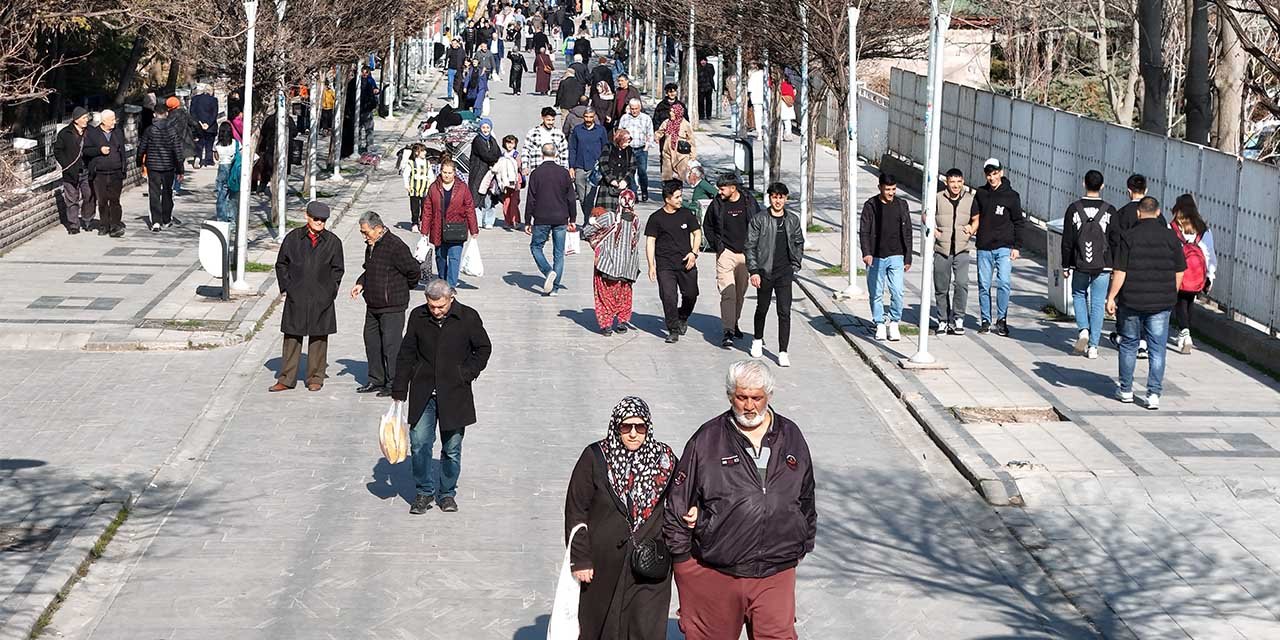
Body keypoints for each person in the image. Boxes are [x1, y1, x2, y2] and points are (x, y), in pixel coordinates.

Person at [664, 360, 817, 640]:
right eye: (742, 397)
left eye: (756, 398)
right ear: (730, 396)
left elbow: (806, 496)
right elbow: (678, 503)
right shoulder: (707, 439)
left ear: (769, 396)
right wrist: (683, 563)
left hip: (776, 571)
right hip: (718, 572)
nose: (749, 406)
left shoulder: (791, 435)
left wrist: (803, 541)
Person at [564, 396, 677, 638]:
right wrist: (580, 559)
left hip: (650, 563)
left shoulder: (665, 460)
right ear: (616, 427)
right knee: (601, 626)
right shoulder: (595, 457)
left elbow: (681, 498)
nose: (634, 434)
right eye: (626, 427)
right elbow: (576, 508)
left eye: (640, 427)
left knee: (645, 627)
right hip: (603, 564)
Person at [392, 278, 493, 514]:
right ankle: (424, 491)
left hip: (455, 392)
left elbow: (484, 348)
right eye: (432, 306)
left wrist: (466, 372)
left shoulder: (468, 317)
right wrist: (399, 389)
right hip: (423, 391)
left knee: (452, 448)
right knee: (419, 444)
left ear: (451, 298)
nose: (436, 311)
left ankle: (447, 493)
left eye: (441, 306)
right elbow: (406, 353)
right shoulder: (418, 317)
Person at [1105, 197, 1185, 411]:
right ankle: (1153, 395)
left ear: (1139, 213)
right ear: (1158, 213)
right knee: (1157, 349)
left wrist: (1112, 296)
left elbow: (1120, 271)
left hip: (1132, 300)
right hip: (1161, 302)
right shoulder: (1171, 237)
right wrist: (1172, 292)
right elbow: (1180, 270)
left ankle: (1126, 390)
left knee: (1129, 344)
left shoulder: (1128, 237)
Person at [270, 201, 345, 393]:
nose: (320, 222)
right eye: (316, 219)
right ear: (307, 217)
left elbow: (338, 270)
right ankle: (286, 378)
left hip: (322, 297)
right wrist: (287, 287)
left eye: (323, 220)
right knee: (292, 337)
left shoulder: (333, 242)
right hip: (297, 295)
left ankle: (315, 377)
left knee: (319, 338)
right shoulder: (293, 238)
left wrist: (330, 290)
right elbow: (281, 264)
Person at [349, 211, 419, 396]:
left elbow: (413, 271)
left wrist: (400, 289)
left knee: (391, 346)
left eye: (366, 232)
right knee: (372, 342)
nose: (364, 236)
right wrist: (361, 283)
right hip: (372, 304)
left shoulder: (395, 246)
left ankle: (394, 383)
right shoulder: (370, 245)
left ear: (378, 228)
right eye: (362, 232)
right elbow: (369, 269)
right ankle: (376, 380)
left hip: (392, 306)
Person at [1060, 169, 1120, 359]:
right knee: (1097, 302)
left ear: (1083, 184)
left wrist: (1066, 264)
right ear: (1102, 186)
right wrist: (1115, 266)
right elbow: (1115, 240)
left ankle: (1083, 330)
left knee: (1078, 293)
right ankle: (1093, 346)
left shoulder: (1074, 208)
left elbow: (1067, 240)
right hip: (1104, 264)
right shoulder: (1110, 210)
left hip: (1080, 263)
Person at [745, 183, 804, 367]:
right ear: (769, 198)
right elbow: (750, 246)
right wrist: (754, 271)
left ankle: (783, 351)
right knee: (762, 308)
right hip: (764, 272)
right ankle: (757, 339)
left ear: (786, 199)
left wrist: (795, 263)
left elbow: (799, 241)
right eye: (774, 197)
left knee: (784, 312)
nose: (778, 201)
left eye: (781, 197)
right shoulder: (759, 219)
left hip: (785, 272)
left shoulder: (792, 219)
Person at [967, 158, 1026, 337]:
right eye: (988, 174)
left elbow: (1018, 222)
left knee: (1004, 283)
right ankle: (986, 320)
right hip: (984, 246)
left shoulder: (1012, 196)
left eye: (995, 174)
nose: (992, 178)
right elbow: (975, 216)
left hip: (1004, 247)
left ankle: (1002, 319)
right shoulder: (981, 193)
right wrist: (970, 229)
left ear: (1001, 172)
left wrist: (1017, 246)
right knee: (984, 284)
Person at [703, 172, 760, 348]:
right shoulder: (717, 204)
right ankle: (727, 331)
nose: (719, 192)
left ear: (733, 188)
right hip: (726, 253)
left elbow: (759, 223)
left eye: (722, 189)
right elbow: (708, 226)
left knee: (740, 293)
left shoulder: (749, 203)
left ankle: (734, 323)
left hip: (746, 255)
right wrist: (717, 246)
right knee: (728, 292)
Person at [646, 180, 702, 343]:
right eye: (677, 197)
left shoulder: (686, 214)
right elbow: (650, 242)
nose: (680, 200)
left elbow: (697, 234)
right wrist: (651, 265)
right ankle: (673, 329)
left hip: (687, 263)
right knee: (669, 297)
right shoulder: (656, 218)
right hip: (665, 265)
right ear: (667, 199)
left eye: (680, 196)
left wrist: (694, 253)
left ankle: (682, 316)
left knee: (691, 294)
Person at [860, 173, 913, 341]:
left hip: (896, 255)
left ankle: (894, 321)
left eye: (894, 189)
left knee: (897, 291)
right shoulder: (871, 205)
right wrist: (866, 252)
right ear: (880, 188)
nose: (891, 193)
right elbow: (864, 231)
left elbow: (908, 232)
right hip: (876, 256)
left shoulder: (902, 205)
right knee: (876, 292)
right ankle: (880, 323)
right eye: (888, 189)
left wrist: (908, 257)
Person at [583, 189, 642, 334]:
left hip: (606, 263)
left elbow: (587, 231)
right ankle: (622, 321)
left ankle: (606, 323)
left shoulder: (609, 217)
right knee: (624, 294)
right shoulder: (637, 222)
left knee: (603, 293)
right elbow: (635, 242)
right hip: (628, 266)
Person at [525, 143, 577, 296]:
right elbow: (571, 198)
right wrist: (572, 218)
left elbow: (531, 199)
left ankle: (548, 271)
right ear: (556, 155)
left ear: (542, 155)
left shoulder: (536, 173)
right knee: (559, 253)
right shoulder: (564, 173)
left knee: (536, 247)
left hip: (541, 217)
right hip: (561, 217)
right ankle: (554, 288)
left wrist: (528, 220)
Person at [420, 160, 479, 289]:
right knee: (440, 258)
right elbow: (427, 210)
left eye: (449, 173)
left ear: (454, 173)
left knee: (454, 258)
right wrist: (424, 230)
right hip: (438, 228)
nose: (446, 175)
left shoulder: (462, 188)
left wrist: (474, 229)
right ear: (440, 172)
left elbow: (469, 208)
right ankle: (442, 280)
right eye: (444, 172)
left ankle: (451, 286)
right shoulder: (434, 187)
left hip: (456, 228)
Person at [1169, 194, 1216, 355]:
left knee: (1180, 302)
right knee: (1189, 302)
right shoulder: (1203, 229)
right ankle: (1185, 332)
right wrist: (1210, 276)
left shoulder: (1173, 227)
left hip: (1179, 272)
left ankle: (1184, 332)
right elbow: (1210, 254)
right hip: (1197, 275)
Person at [933, 168, 974, 335]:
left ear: (963, 182)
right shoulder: (937, 198)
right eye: (952, 182)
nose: (956, 185)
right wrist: (935, 231)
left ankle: (958, 318)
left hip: (962, 249)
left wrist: (972, 228)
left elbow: (977, 218)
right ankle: (943, 320)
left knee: (962, 284)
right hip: (942, 249)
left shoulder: (970, 199)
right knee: (941, 286)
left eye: (959, 182)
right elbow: (925, 215)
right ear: (946, 183)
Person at [135, 103, 185, 232]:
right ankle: (166, 219)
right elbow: (178, 151)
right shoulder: (172, 130)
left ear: (154, 114)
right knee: (167, 192)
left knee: (154, 193)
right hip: (168, 166)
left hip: (153, 166)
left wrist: (139, 162)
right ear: (167, 114)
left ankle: (156, 221)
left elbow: (142, 148)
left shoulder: (150, 130)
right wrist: (180, 169)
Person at [81, 109, 127, 237]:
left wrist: (124, 168)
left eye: (114, 119)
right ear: (103, 121)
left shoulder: (118, 132)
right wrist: (99, 150)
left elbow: (122, 151)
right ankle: (104, 225)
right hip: (99, 173)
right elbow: (86, 151)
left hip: (116, 172)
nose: (114, 122)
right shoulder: (93, 133)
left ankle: (115, 225)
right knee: (102, 201)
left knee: (115, 200)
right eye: (111, 119)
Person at [54, 107, 93, 234]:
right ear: (76, 120)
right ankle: (73, 225)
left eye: (87, 117)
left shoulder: (90, 132)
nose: (86, 120)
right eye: (83, 118)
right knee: (71, 200)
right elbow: (58, 151)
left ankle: (87, 220)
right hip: (70, 172)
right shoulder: (65, 133)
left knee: (89, 196)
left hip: (87, 170)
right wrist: (66, 165)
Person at [569, 107, 609, 223]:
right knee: (582, 198)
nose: (588, 119)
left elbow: (605, 148)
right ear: (583, 117)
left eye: (591, 117)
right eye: (586, 117)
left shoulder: (600, 130)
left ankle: (587, 223)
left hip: (595, 167)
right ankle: (589, 220)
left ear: (594, 117)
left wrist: (603, 165)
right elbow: (572, 148)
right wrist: (571, 166)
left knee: (589, 197)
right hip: (580, 166)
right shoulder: (577, 130)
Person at [591, 129, 636, 215]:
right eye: (625, 142)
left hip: (623, 186)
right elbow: (603, 164)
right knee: (604, 214)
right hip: (607, 186)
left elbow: (633, 167)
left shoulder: (629, 150)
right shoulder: (608, 147)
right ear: (619, 140)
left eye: (628, 142)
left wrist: (626, 180)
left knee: (623, 215)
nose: (627, 144)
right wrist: (611, 180)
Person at [617, 98, 654, 201]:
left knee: (642, 171)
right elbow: (620, 132)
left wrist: (647, 146)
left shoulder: (646, 118)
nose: (634, 111)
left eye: (636, 109)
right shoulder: (625, 118)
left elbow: (650, 134)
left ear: (640, 108)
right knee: (630, 172)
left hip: (641, 149)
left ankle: (644, 190)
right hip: (628, 149)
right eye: (632, 108)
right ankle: (634, 193)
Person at [469, 119, 503, 228]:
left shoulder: (492, 140)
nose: (485, 130)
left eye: (487, 128)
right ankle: (477, 222)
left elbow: (498, 152)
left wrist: (496, 160)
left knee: (490, 196)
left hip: (490, 172)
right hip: (478, 171)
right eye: (483, 127)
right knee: (477, 197)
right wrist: (495, 160)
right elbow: (485, 155)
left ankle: (488, 221)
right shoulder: (477, 140)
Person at [521, 106, 568, 173]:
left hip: (555, 170)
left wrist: (564, 169)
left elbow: (564, 152)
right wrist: (525, 167)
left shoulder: (559, 134)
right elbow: (526, 150)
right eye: (548, 120)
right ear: (542, 118)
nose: (551, 122)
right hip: (537, 168)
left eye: (553, 120)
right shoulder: (533, 133)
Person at [656, 104, 695, 182]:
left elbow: (691, 140)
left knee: (680, 177)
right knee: (667, 177)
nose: (670, 113)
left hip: (681, 156)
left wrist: (692, 155)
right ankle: (667, 192)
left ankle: (678, 192)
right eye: (670, 111)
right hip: (668, 153)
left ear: (678, 113)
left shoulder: (685, 124)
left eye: (673, 112)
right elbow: (659, 132)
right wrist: (657, 137)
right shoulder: (667, 122)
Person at [401, 143, 435, 232]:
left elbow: (431, 175)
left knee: (425, 206)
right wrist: (407, 185)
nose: (425, 152)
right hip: (414, 189)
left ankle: (423, 221)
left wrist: (432, 184)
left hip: (425, 189)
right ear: (416, 152)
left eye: (425, 151)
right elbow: (406, 175)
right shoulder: (411, 163)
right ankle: (415, 223)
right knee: (415, 207)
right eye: (422, 151)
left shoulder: (427, 163)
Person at [492, 134, 523, 229]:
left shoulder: (516, 155)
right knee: (506, 202)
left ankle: (516, 221)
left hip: (515, 180)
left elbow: (519, 166)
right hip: (504, 182)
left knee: (514, 202)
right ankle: (507, 221)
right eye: (508, 143)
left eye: (512, 143)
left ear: (515, 144)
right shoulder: (503, 155)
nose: (509, 145)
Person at [212, 122, 238, 224]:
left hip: (222, 168)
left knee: (221, 195)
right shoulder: (235, 143)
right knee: (232, 196)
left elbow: (216, 157)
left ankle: (221, 218)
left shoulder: (217, 144)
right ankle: (232, 219)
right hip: (232, 169)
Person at [165, 96, 197, 180]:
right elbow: (194, 123)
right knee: (180, 163)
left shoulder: (167, 117)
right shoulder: (184, 114)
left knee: (171, 164)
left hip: (170, 143)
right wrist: (197, 134)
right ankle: (176, 186)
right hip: (184, 142)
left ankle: (170, 184)